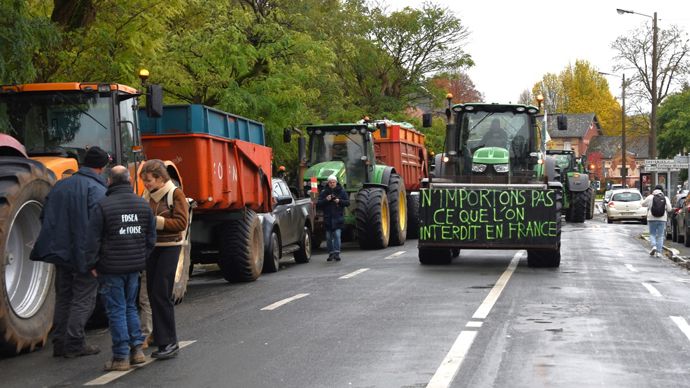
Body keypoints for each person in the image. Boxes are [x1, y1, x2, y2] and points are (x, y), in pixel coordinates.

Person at [30, 146, 110, 358]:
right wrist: (96, 258)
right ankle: (75, 343)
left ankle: (60, 342)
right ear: (102, 168)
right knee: (84, 299)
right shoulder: (98, 190)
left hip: (61, 253)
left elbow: (45, 217)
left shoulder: (60, 186)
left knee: (64, 296)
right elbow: (99, 228)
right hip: (85, 255)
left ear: (83, 164)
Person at [85, 166, 156, 371]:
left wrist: (92, 264)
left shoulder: (103, 206)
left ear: (109, 181)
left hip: (110, 268)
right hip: (134, 267)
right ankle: (137, 351)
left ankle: (120, 357)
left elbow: (92, 240)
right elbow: (151, 238)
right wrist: (141, 258)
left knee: (116, 310)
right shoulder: (143, 205)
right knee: (131, 307)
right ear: (129, 180)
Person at [140, 159, 189, 359]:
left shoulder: (175, 194)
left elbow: (181, 222)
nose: (146, 184)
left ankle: (170, 342)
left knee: (161, 293)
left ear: (160, 178)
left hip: (170, 247)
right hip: (153, 248)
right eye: (144, 181)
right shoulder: (148, 195)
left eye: (149, 180)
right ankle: (161, 340)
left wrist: (156, 222)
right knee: (153, 294)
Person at [317, 175, 349, 261]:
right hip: (328, 218)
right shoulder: (324, 192)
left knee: (337, 236)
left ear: (336, 182)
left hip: (338, 217)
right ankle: (331, 253)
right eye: (330, 182)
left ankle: (337, 253)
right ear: (328, 183)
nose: (332, 184)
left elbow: (347, 202)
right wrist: (326, 200)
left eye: (333, 182)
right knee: (328, 237)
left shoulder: (341, 191)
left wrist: (339, 201)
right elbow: (319, 204)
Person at [642, 184, 672, 257]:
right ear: (662, 190)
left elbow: (642, 204)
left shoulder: (650, 197)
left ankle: (654, 246)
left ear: (654, 189)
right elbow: (669, 209)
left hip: (651, 218)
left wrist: (649, 205)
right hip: (662, 219)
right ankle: (659, 252)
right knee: (660, 235)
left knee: (652, 234)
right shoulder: (665, 198)